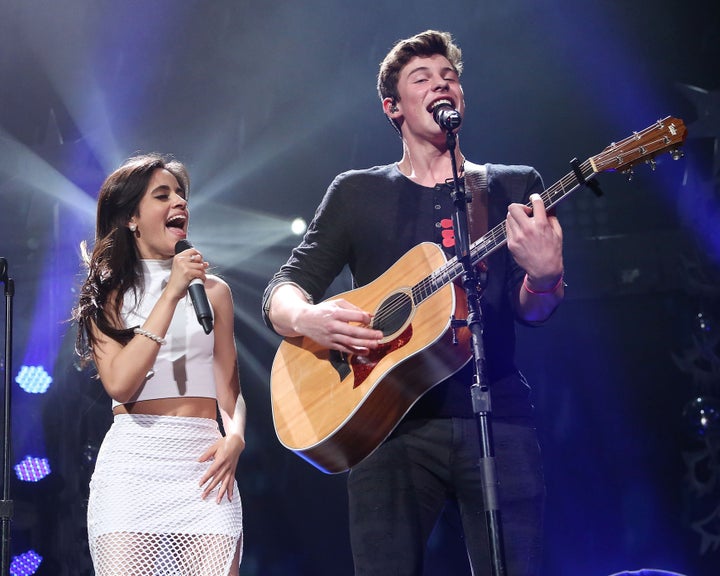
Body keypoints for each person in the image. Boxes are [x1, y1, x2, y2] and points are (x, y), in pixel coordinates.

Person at [262, 30, 564, 575]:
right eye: (422, 79)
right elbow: (284, 287)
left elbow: (534, 311)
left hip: (496, 414)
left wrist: (544, 278)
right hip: (386, 425)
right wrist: (309, 317)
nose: (441, 83)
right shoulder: (356, 192)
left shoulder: (513, 187)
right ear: (393, 108)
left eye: (449, 76)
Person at [73, 153, 246, 576]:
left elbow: (230, 391)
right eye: (163, 195)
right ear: (132, 217)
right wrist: (171, 292)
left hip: (205, 466)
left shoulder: (215, 292)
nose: (179, 203)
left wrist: (236, 436)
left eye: (182, 195)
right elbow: (120, 385)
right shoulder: (107, 295)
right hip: (133, 469)